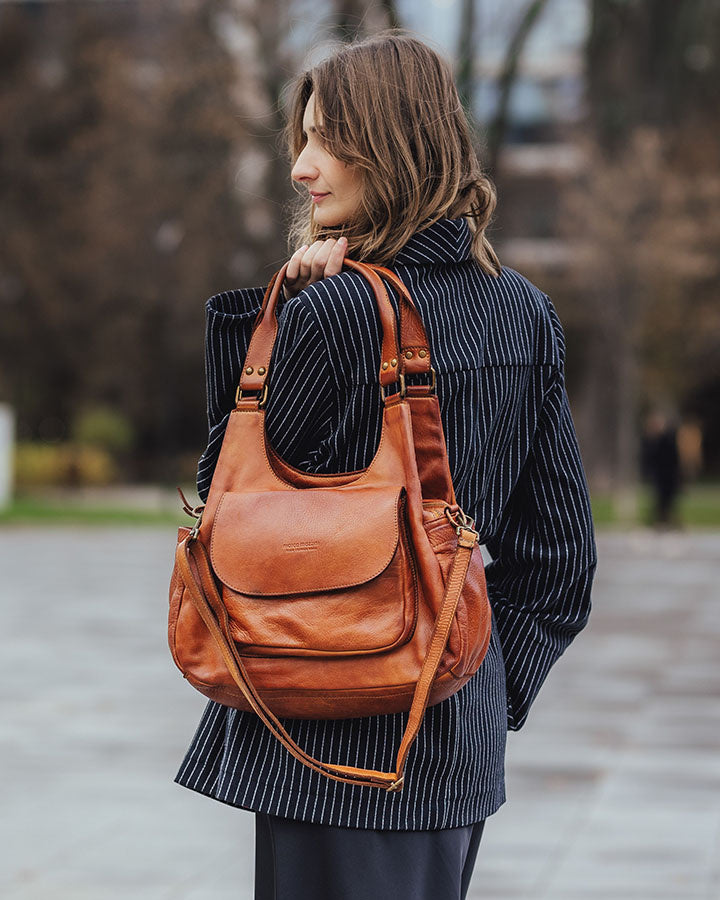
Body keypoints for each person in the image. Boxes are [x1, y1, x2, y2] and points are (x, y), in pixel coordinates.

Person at [173, 29, 597, 900]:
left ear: (392, 145)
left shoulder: (335, 314)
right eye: (302, 140)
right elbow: (561, 561)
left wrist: (271, 324)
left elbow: (227, 508)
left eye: (326, 141)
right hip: (453, 752)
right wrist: (469, 684)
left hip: (324, 741)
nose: (302, 167)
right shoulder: (525, 312)